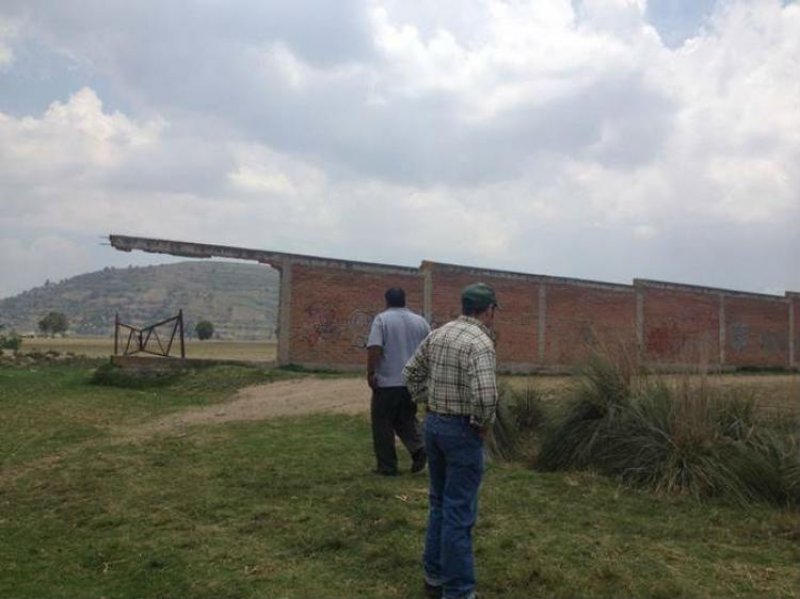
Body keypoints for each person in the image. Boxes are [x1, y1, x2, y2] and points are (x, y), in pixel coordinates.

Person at [403, 282, 500, 599]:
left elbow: (411, 373)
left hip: (433, 424)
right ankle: (459, 591)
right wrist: (482, 425)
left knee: (438, 505)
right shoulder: (480, 342)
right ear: (488, 310)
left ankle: (434, 578)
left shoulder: (439, 333)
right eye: (494, 310)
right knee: (459, 512)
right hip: (462, 431)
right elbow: (486, 396)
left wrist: (427, 402)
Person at [366, 287, 431, 476]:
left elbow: (374, 347)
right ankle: (420, 450)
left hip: (387, 381)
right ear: (405, 300)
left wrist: (371, 372)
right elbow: (430, 349)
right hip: (412, 383)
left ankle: (387, 466)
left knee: (383, 423)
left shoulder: (382, 320)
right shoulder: (421, 321)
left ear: (386, 301)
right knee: (406, 419)